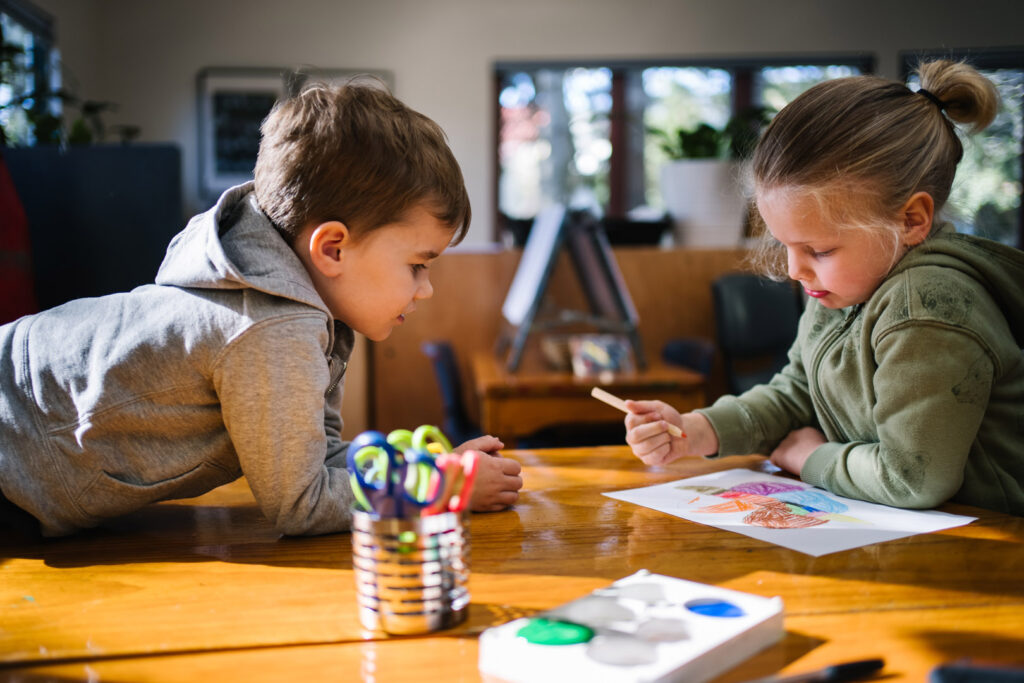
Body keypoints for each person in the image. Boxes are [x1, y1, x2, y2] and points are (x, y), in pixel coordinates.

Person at [0, 80, 523, 538]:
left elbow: (319, 460)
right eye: (417, 264)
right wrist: (443, 490)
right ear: (333, 249)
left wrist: (425, 467)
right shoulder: (271, 326)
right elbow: (302, 504)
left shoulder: (300, 304)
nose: (426, 289)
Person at [624, 60, 1024, 515]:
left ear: (911, 220)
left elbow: (911, 477)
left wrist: (807, 458)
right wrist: (697, 429)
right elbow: (797, 392)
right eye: (786, 245)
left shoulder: (925, 307)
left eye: (819, 250)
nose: (796, 269)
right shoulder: (845, 287)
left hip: (994, 542)